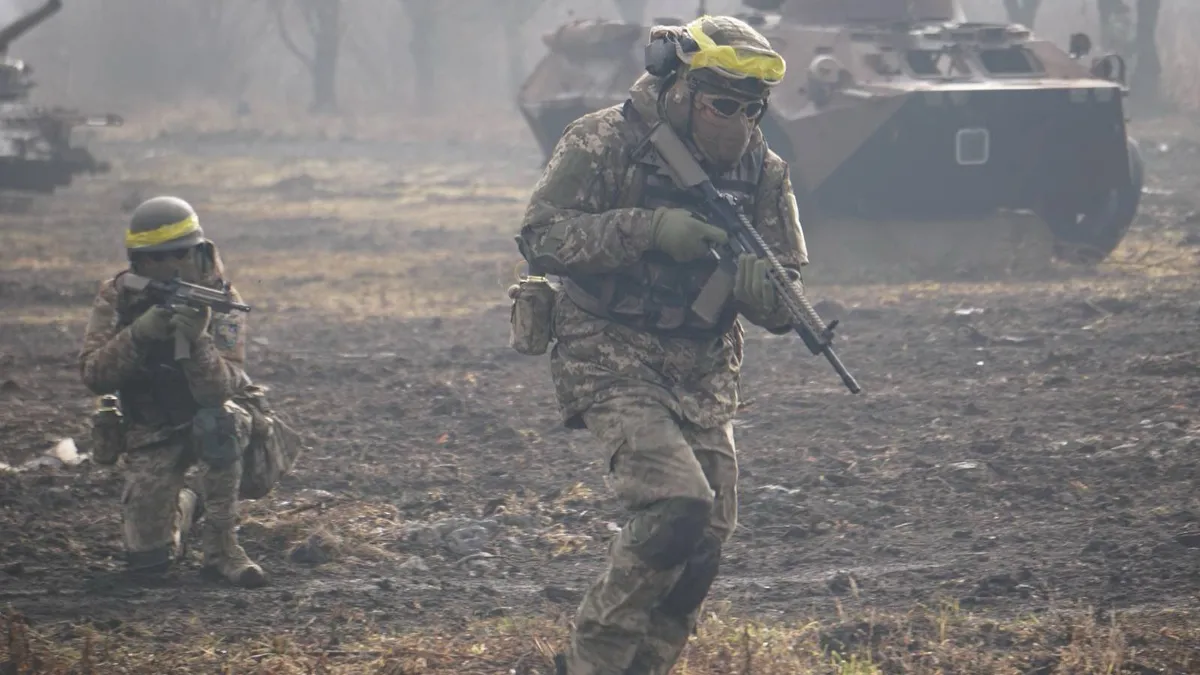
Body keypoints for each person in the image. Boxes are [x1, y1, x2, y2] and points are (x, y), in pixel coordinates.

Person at [514, 14, 808, 675]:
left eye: (751, 108)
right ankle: (589, 662)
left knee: (704, 541)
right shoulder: (603, 140)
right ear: (681, 90)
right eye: (721, 105)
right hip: (608, 346)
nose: (736, 122)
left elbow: (785, 285)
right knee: (678, 505)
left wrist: (765, 293)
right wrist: (648, 230)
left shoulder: (763, 170)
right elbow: (541, 238)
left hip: (702, 366)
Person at [78, 195, 267, 588]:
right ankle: (187, 503)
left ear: (196, 253)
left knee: (220, 422)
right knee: (147, 561)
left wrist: (196, 341)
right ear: (137, 261)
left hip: (213, 416)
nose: (167, 266)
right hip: (151, 426)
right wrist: (139, 334)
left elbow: (219, 390)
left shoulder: (221, 301)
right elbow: (95, 376)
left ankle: (222, 548)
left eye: (179, 254)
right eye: (154, 257)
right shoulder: (118, 295)